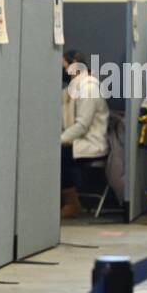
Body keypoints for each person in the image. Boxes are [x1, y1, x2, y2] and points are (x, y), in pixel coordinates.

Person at [60, 49, 109, 218]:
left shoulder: (88, 88)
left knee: (58, 154)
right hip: (78, 141)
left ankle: (72, 203)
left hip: (91, 144)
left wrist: (57, 140)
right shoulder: (72, 89)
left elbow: (82, 125)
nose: (62, 70)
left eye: (64, 65)